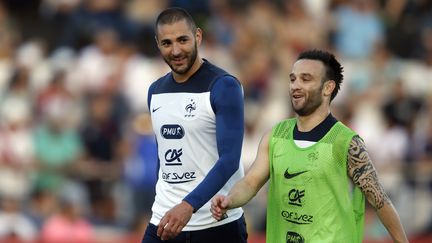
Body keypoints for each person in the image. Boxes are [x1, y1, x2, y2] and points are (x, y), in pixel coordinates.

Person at [211, 49, 409, 243]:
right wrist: (229, 200)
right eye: (292, 79)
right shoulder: (275, 135)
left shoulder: (346, 143)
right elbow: (250, 183)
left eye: (306, 79)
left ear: (327, 88)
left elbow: (379, 200)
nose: (295, 85)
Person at [142, 7, 247, 243]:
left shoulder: (223, 86)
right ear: (157, 44)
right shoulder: (155, 91)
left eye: (183, 40)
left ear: (198, 36)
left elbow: (230, 159)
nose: (176, 50)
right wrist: (165, 204)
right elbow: (164, 157)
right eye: (167, 43)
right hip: (165, 221)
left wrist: (188, 205)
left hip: (215, 224)